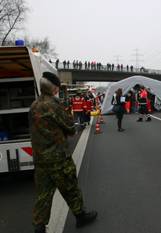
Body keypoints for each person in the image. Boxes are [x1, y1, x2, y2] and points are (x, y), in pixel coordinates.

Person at [28, 72, 97, 233]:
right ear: (55, 88)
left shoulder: (34, 106)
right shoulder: (57, 105)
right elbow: (72, 130)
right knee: (70, 188)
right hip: (59, 157)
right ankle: (81, 217)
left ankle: (39, 227)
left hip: (40, 159)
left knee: (43, 194)